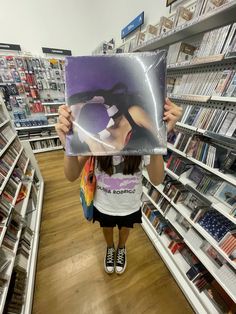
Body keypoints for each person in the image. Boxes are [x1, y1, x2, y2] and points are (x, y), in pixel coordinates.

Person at [55, 98, 182, 275]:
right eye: (112, 130)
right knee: (106, 228)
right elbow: (71, 175)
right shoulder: (95, 139)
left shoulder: (139, 134)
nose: (121, 137)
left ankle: (121, 248)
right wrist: (69, 143)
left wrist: (158, 138)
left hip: (129, 204)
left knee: (125, 229)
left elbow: (157, 179)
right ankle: (110, 248)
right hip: (104, 202)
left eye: (121, 123)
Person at [66, 82, 166, 155]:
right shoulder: (92, 144)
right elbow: (72, 175)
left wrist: (169, 125)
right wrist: (90, 140)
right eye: (78, 114)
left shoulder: (134, 114)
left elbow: (161, 139)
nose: (90, 116)